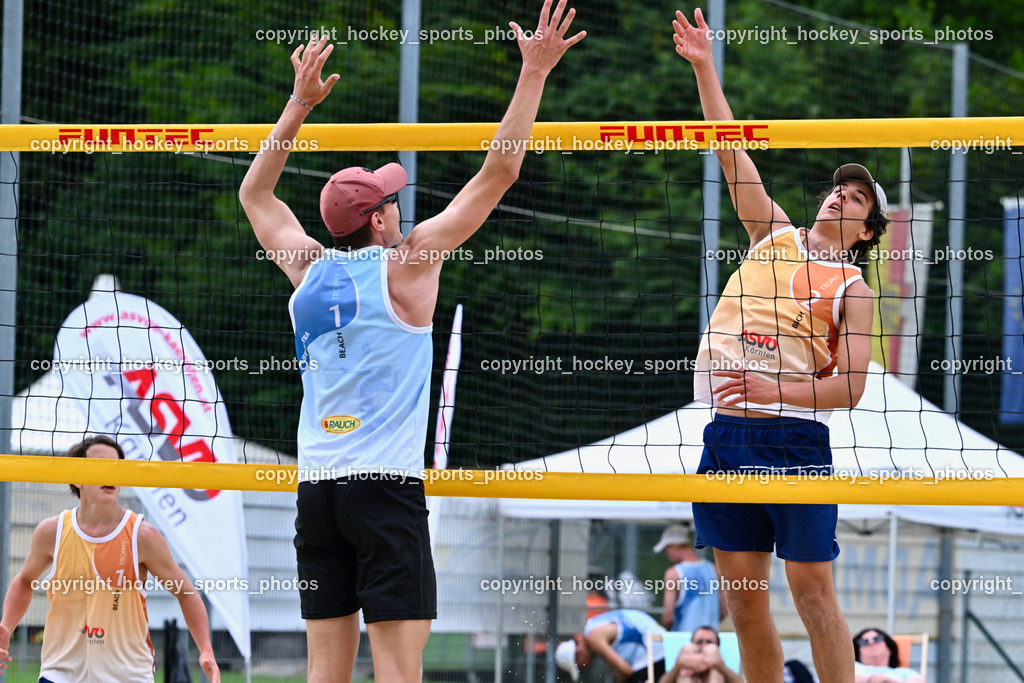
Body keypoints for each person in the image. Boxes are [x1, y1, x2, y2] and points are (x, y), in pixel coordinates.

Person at [238, 4, 584, 682]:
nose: (400, 203)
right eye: (391, 198)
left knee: (325, 672)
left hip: (317, 492)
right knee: (400, 669)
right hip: (383, 490)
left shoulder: (307, 269)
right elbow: (499, 174)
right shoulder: (409, 263)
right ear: (377, 219)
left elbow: (255, 193)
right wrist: (534, 73)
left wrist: (299, 104)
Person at [673, 8, 889, 683]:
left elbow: (850, 389)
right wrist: (705, 66)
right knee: (744, 605)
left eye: (856, 199)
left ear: (867, 231)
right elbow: (728, 147)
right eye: (838, 189)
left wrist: (774, 388)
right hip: (726, 433)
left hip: (794, 438)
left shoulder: (853, 287)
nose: (839, 198)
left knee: (815, 598)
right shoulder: (772, 233)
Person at [0, 435, 219, 683]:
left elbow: (186, 593)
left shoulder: (142, 536)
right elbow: (25, 581)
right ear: (76, 477)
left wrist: (205, 648)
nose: (110, 474)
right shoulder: (52, 532)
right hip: (59, 675)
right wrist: (6, 626)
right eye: (100, 466)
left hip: (127, 676)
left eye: (116, 467)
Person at [556, 609, 666, 683]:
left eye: (580, 666)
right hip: (657, 646)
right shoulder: (591, 628)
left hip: (656, 650)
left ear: (578, 653)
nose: (585, 668)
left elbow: (626, 670)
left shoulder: (594, 637)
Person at [654, 524, 725, 632]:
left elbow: (668, 618)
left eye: (666, 550)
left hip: (684, 639)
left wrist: (666, 633)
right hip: (711, 638)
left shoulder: (673, 574)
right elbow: (723, 611)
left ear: (674, 546)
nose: (667, 555)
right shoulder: (713, 569)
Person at [659, 626, 743, 683]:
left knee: (714, 666)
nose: (704, 645)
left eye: (709, 642)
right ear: (693, 642)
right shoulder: (682, 665)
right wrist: (679, 664)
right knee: (687, 648)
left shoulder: (720, 667)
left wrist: (719, 665)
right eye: (699, 642)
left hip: (717, 671)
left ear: (718, 646)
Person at [853, 629, 924, 683]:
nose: (871, 642)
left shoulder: (904, 672)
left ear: (889, 647)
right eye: (864, 642)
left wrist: (888, 681)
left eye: (877, 639)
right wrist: (868, 680)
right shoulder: (853, 667)